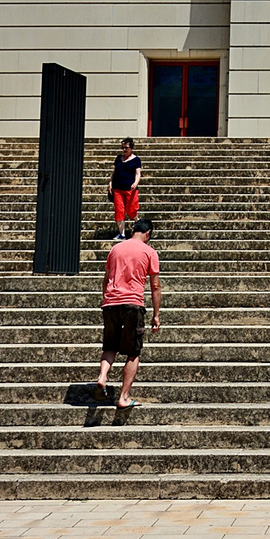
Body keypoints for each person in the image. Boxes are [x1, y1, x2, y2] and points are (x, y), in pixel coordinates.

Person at [94, 217, 161, 409]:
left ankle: (102, 376)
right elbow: (155, 286)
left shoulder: (116, 249)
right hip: (133, 304)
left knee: (110, 345)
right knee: (133, 352)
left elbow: (106, 280)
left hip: (111, 303)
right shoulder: (149, 252)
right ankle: (123, 397)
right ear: (148, 234)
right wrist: (156, 314)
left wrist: (106, 300)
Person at [108, 137, 141, 239]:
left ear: (131, 148)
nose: (124, 150)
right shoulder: (118, 158)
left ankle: (140, 225)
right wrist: (110, 183)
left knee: (131, 210)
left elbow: (138, 173)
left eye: (126, 147)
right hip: (118, 188)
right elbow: (114, 172)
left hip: (130, 189)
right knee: (119, 211)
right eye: (122, 147)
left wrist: (135, 183)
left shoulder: (136, 160)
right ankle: (122, 234)